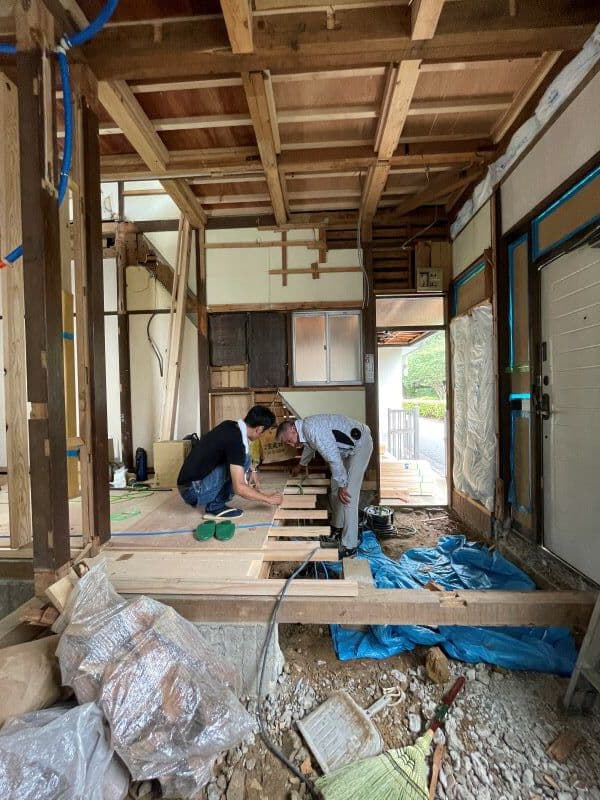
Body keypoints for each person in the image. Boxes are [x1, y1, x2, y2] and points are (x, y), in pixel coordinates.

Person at [276, 414, 373, 557]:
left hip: (360, 445)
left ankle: (350, 545)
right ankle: (337, 528)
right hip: (346, 451)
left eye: (289, 440)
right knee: (335, 491)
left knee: (348, 496)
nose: (291, 444)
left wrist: (343, 485)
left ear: (292, 429)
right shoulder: (305, 430)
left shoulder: (311, 429)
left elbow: (332, 457)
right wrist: (301, 465)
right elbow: (310, 447)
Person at [178, 405, 282, 519]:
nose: (262, 436)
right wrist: (267, 498)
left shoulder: (229, 425)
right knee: (244, 461)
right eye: (264, 432)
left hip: (187, 486)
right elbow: (239, 488)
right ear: (259, 429)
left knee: (245, 460)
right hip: (194, 492)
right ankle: (215, 506)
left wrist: (252, 470)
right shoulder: (237, 443)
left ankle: (213, 503)